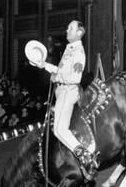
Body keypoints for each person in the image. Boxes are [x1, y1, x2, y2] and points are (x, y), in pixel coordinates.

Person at [33, 20, 86, 155]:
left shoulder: (78, 52)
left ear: (79, 32)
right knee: (57, 129)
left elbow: (75, 78)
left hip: (69, 91)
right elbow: (61, 71)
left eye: (70, 28)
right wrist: (43, 64)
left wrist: (56, 77)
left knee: (59, 130)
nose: (67, 30)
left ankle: (85, 156)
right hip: (62, 91)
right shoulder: (70, 49)